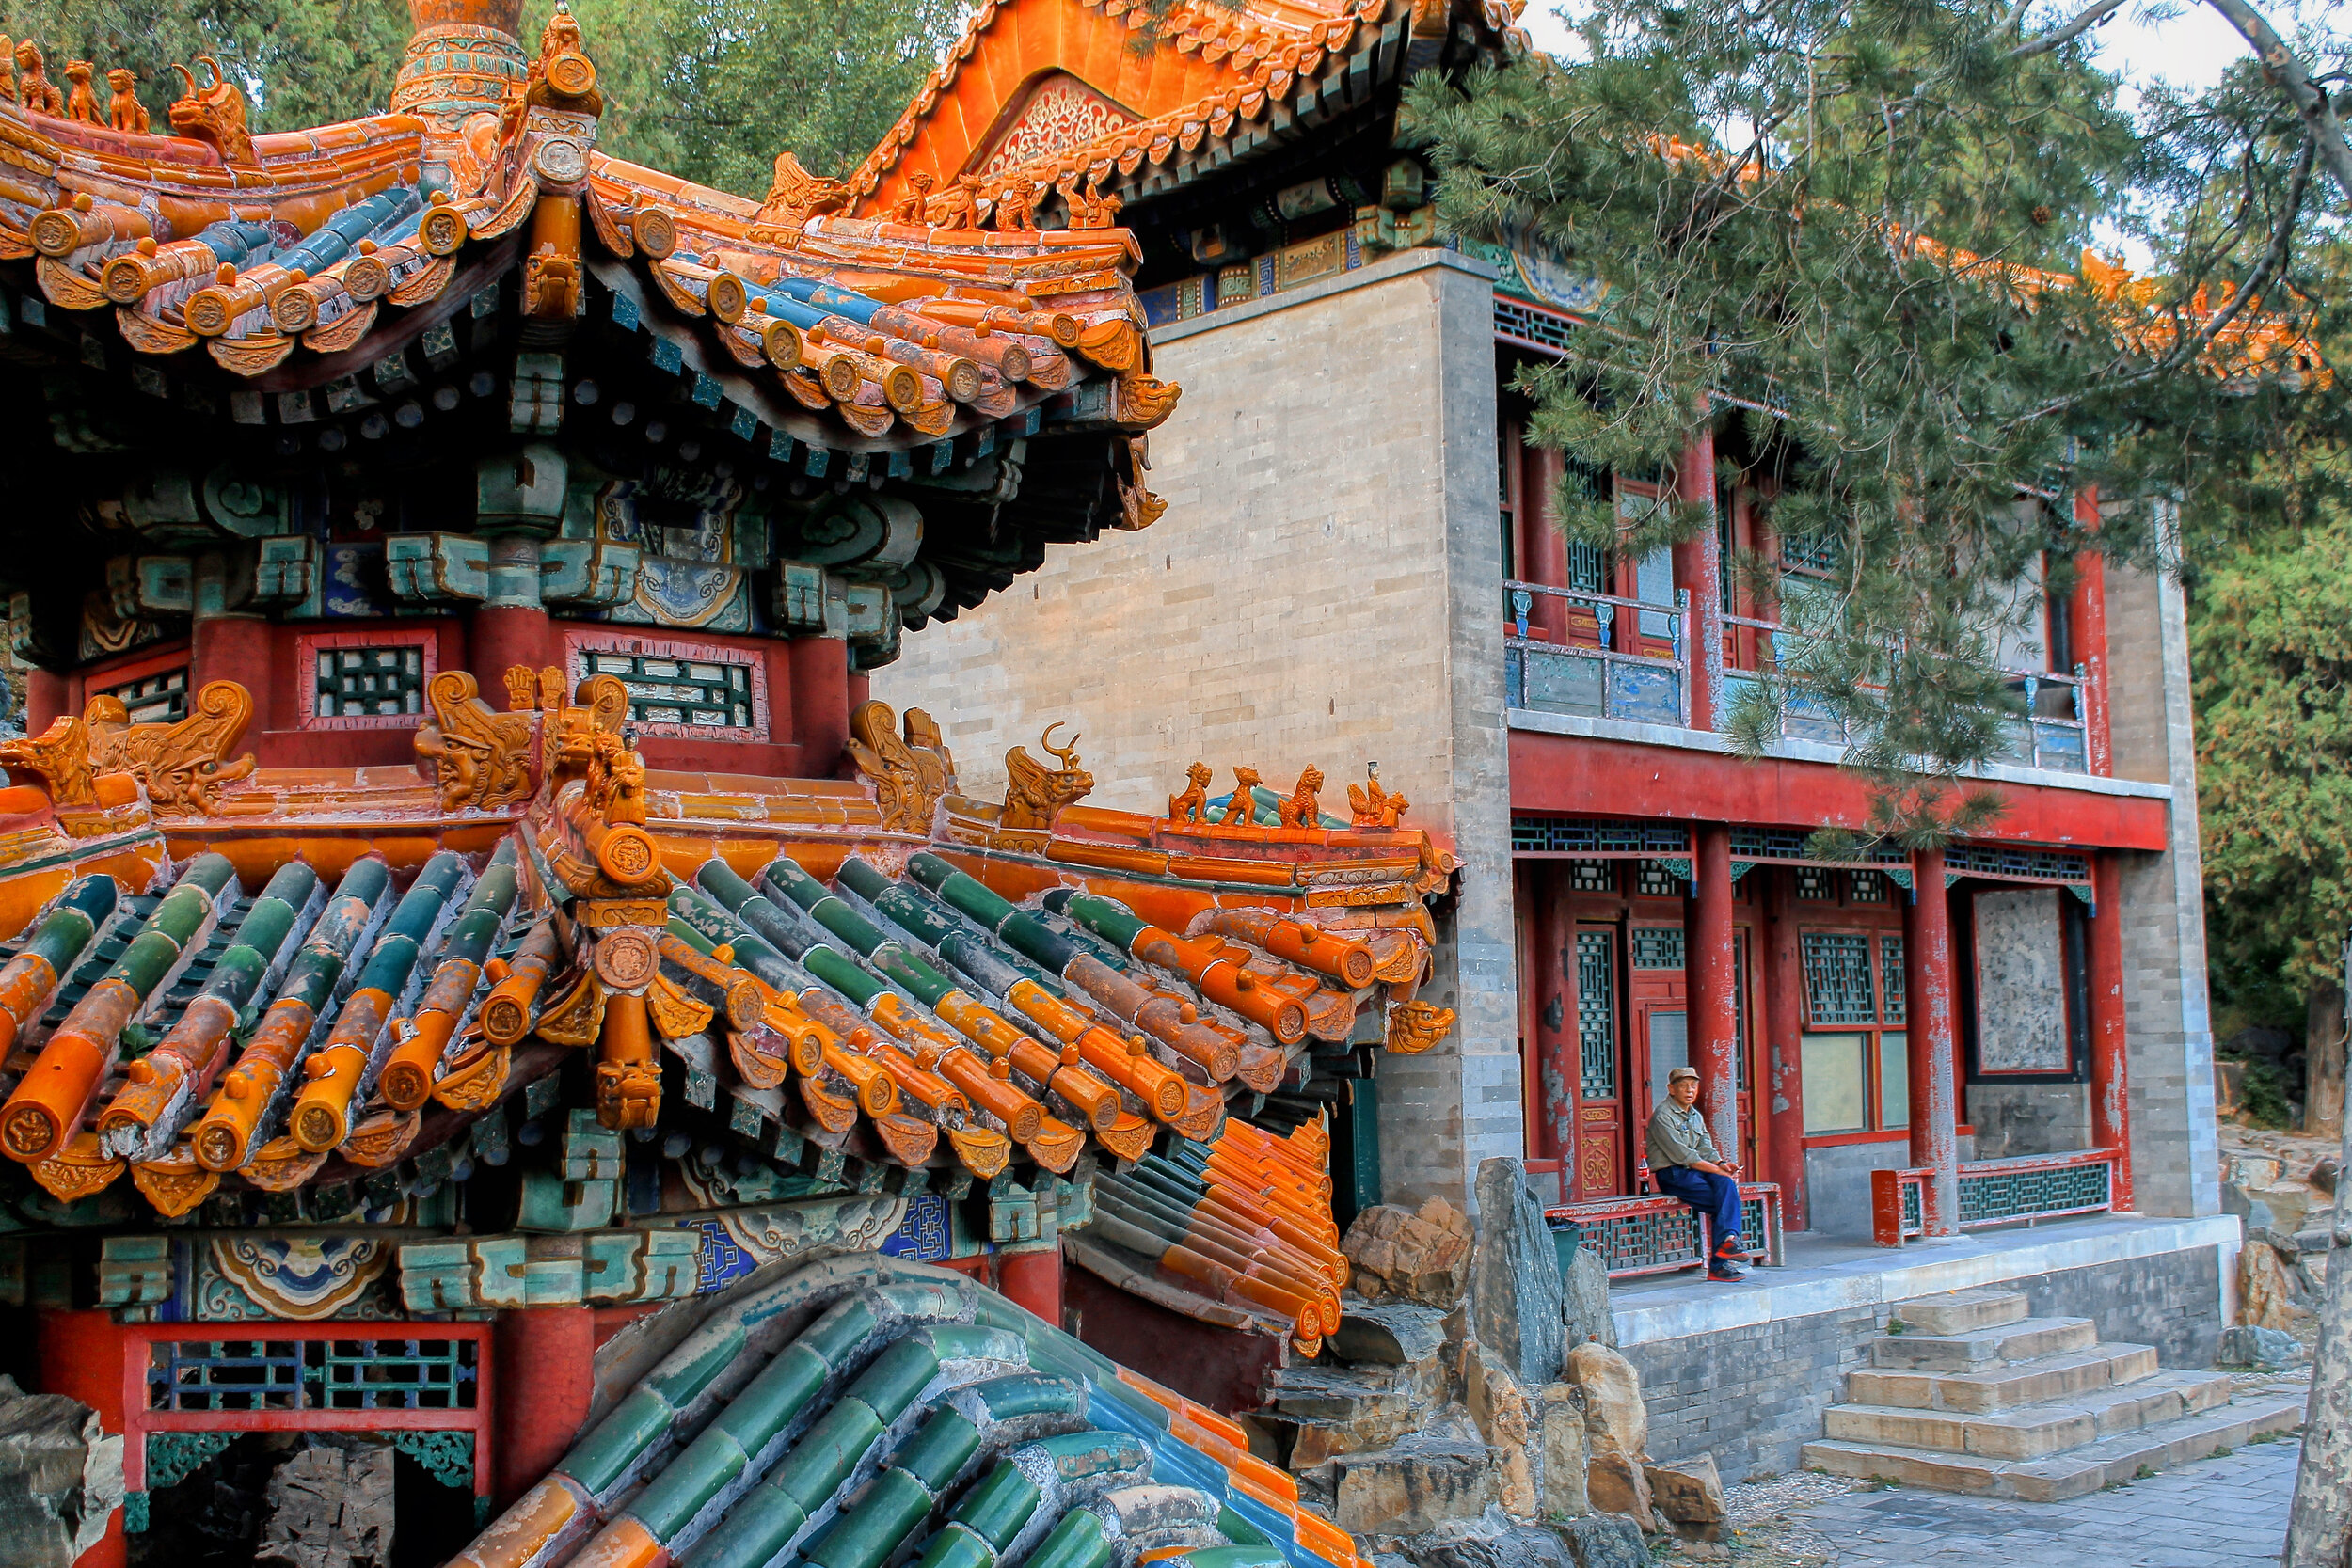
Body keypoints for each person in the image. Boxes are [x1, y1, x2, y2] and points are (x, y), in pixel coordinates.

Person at [1646, 1065, 1748, 1281]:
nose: (1689, 1090)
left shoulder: (1694, 1115)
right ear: (1671, 1089)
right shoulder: (1663, 1116)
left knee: (1726, 1186)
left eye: (1693, 1086)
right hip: (1673, 1174)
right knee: (1726, 1201)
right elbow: (1685, 1157)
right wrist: (1718, 1170)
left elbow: (1705, 1147)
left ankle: (1729, 1240)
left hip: (1696, 1171)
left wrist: (1721, 1163)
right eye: (1683, 1086)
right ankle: (1720, 1263)